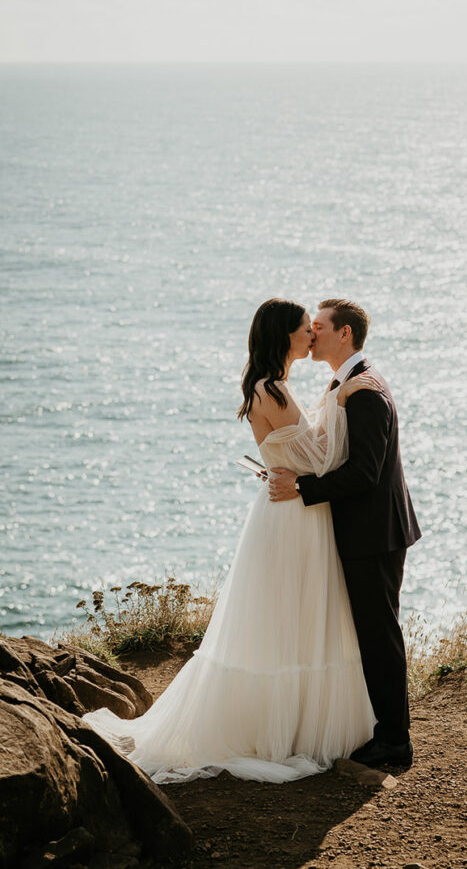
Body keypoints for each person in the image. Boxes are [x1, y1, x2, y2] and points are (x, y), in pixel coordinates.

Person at [82, 298, 381, 784]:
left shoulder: (274, 387)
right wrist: (339, 399)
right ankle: (279, 732)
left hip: (294, 511)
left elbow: (303, 456)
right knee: (288, 620)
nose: (312, 335)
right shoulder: (274, 391)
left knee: (293, 620)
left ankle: (295, 724)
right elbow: (323, 459)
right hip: (292, 519)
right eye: (306, 328)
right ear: (285, 334)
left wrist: (329, 404)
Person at [269, 298, 421, 768]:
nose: (311, 334)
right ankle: (383, 730)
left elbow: (365, 474)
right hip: (366, 529)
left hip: (375, 533)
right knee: (373, 633)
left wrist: (302, 487)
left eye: (318, 327)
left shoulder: (366, 391)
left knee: (380, 635)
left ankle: (395, 742)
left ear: (345, 334)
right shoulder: (345, 383)